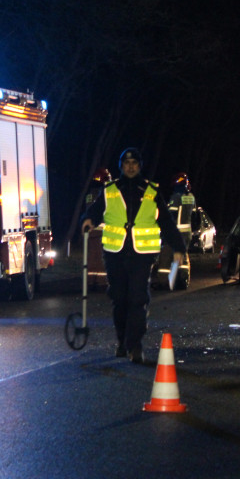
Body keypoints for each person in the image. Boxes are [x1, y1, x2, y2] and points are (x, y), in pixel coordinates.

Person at [81, 147, 186, 363]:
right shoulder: (110, 190)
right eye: (126, 163)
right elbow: (95, 210)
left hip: (141, 255)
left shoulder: (151, 191)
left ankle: (135, 345)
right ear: (121, 166)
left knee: (137, 299)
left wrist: (178, 247)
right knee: (119, 299)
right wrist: (88, 219)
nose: (130, 167)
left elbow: (166, 221)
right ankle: (122, 341)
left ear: (140, 166)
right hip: (115, 254)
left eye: (134, 163)